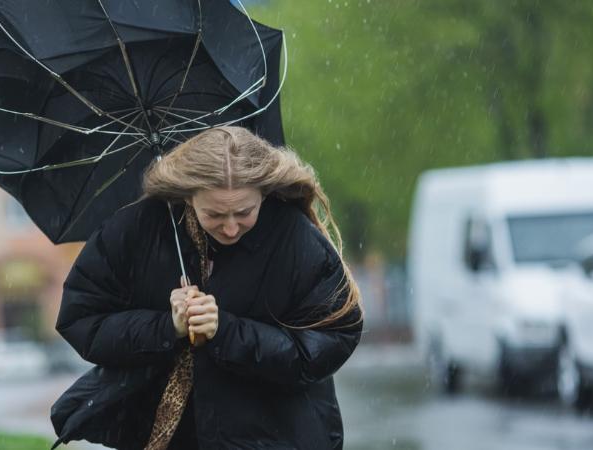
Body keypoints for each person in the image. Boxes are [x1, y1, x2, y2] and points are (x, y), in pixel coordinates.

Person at [51, 126, 363, 450]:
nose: (230, 227)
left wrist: (227, 331)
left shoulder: (294, 239)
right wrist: (166, 327)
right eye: (213, 213)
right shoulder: (137, 229)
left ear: (264, 192)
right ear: (187, 194)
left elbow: (330, 341)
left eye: (245, 212)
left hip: (275, 439)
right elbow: (82, 319)